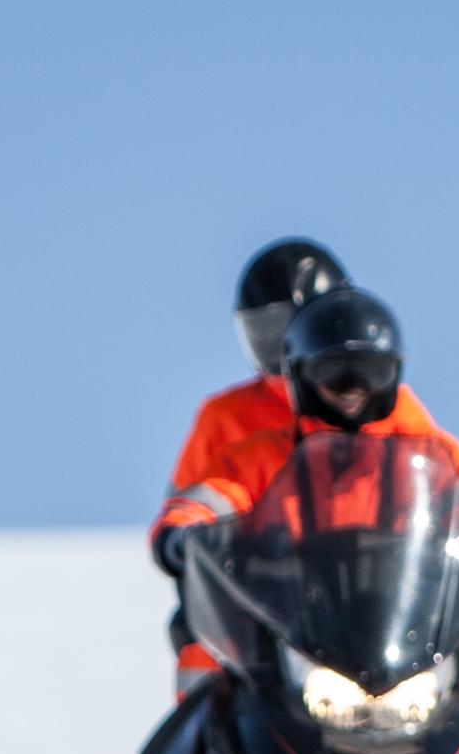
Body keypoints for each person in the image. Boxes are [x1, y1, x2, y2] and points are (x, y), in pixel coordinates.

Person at [153, 286, 459, 580]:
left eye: (371, 374)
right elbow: (208, 500)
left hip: (406, 631)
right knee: (214, 662)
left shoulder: (436, 458)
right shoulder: (260, 459)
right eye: (335, 374)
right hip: (288, 629)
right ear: (301, 376)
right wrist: (185, 534)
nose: (353, 389)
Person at [149, 240, 352, 675]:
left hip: (371, 606)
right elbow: (194, 502)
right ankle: (202, 740)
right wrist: (185, 536)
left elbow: (440, 479)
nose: (276, 346)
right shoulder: (226, 418)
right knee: (201, 651)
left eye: (285, 328)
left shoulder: (381, 409)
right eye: (264, 332)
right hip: (259, 607)